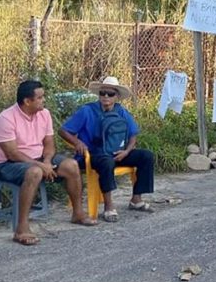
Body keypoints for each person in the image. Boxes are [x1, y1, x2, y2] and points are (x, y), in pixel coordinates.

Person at [0, 81, 97, 245]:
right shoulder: (5, 118)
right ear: (27, 101)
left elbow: (49, 144)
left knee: (71, 165)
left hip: (39, 159)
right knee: (34, 172)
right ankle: (21, 228)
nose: (44, 100)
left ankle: (77, 214)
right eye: (40, 97)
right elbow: (12, 153)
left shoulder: (44, 114)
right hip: (8, 164)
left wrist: (47, 161)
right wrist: (41, 166)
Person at [59, 77, 155, 223]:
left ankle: (136, 199)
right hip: (93, 155)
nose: (106, 97)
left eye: (110, 94)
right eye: (103, 93)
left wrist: (127, 151)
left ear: (117, 96)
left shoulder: (121, 112)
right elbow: (64, 130)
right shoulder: (87, 110)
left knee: (146, 156)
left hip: (118, 153)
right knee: (106, 162)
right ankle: (109, 206)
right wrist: (77, 142)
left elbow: (133, 134)